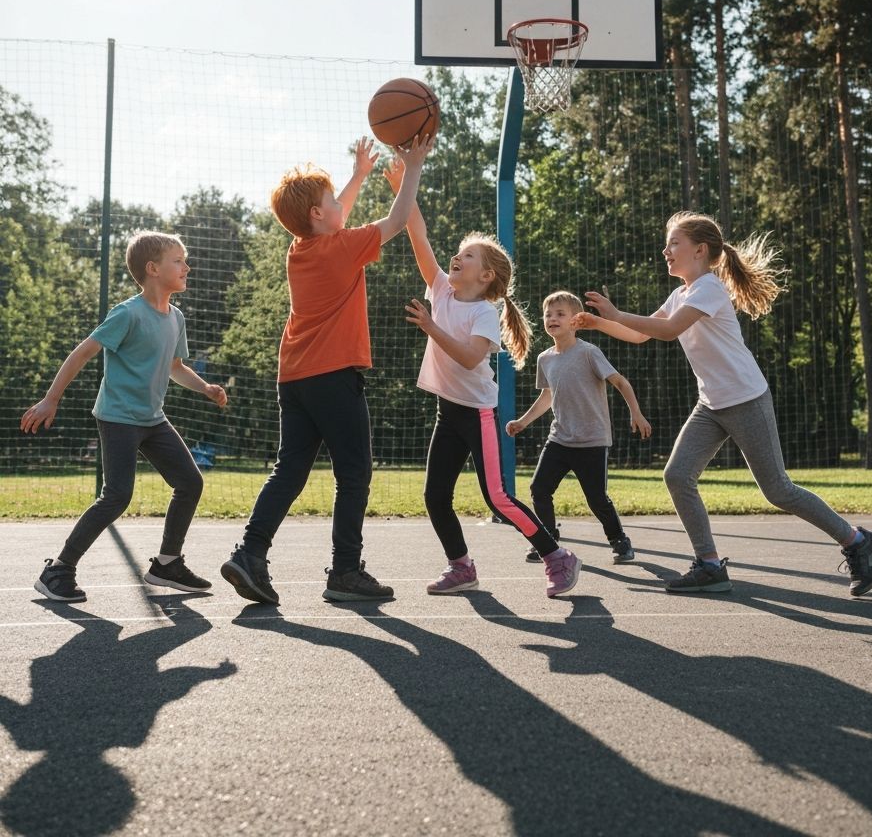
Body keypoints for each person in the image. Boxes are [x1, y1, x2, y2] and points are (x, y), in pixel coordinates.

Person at [574, 211, 872, 597]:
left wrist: (617, 313)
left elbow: (669, 331)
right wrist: (599, 323)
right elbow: (640, 336)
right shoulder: (681, 293)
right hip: (711, 404)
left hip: (745, 398)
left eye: (674, 243)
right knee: (677, 475)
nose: (665, 250)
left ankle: (857, 541)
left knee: (778, 491)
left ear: (700, 250)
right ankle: (709, 565)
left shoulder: (709, 288)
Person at [220, 134, 430, 606]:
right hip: (335, 376)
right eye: (332, 199)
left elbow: (334, 221)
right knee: (354, 473)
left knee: (289, 470)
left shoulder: (300, 251)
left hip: (295, 377)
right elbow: (397, 219)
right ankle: (345, 571)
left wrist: (356, 176)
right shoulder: (342, 247)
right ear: (318, 213)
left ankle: (250, 554)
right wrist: (413, 165)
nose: (341, 205)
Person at [384, 161, 581, 598]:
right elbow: (418, 234)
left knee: (497, 496)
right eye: (459, 251)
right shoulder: (440, 289)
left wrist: (431, 329)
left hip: (478, 413)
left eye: (468, 255)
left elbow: (472, 358)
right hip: (447, 412)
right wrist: (404, 189)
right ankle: (462, 567)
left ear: (486, 275)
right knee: (435, 496)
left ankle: (557, 556)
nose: (457, 256)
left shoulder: (482, 312)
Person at [21, 232, 228, 601]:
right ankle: (58, 570)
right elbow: (82, 353)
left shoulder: (175, 317)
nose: (187, 267)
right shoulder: (127, 313)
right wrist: (50, 399)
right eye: (178, 260)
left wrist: (206, 388)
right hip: (118, 417)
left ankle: (166, 563)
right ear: (152, 269)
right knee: (117, 495)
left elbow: (175, 367)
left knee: (190, 482)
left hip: (152, 418)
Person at [506, 290, 651, 565]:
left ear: (576, 321)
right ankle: (548, 541)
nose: (553, 318)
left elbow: (620, 382)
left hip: (591, 440)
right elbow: (547, 397)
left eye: (560, 314)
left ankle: (619, 540)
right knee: (539, 489)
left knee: (597, 500)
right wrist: (523, 422)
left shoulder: (588, 352)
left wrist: (637, 413)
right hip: (560, 438)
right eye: (548, 314)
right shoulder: (545, 359)